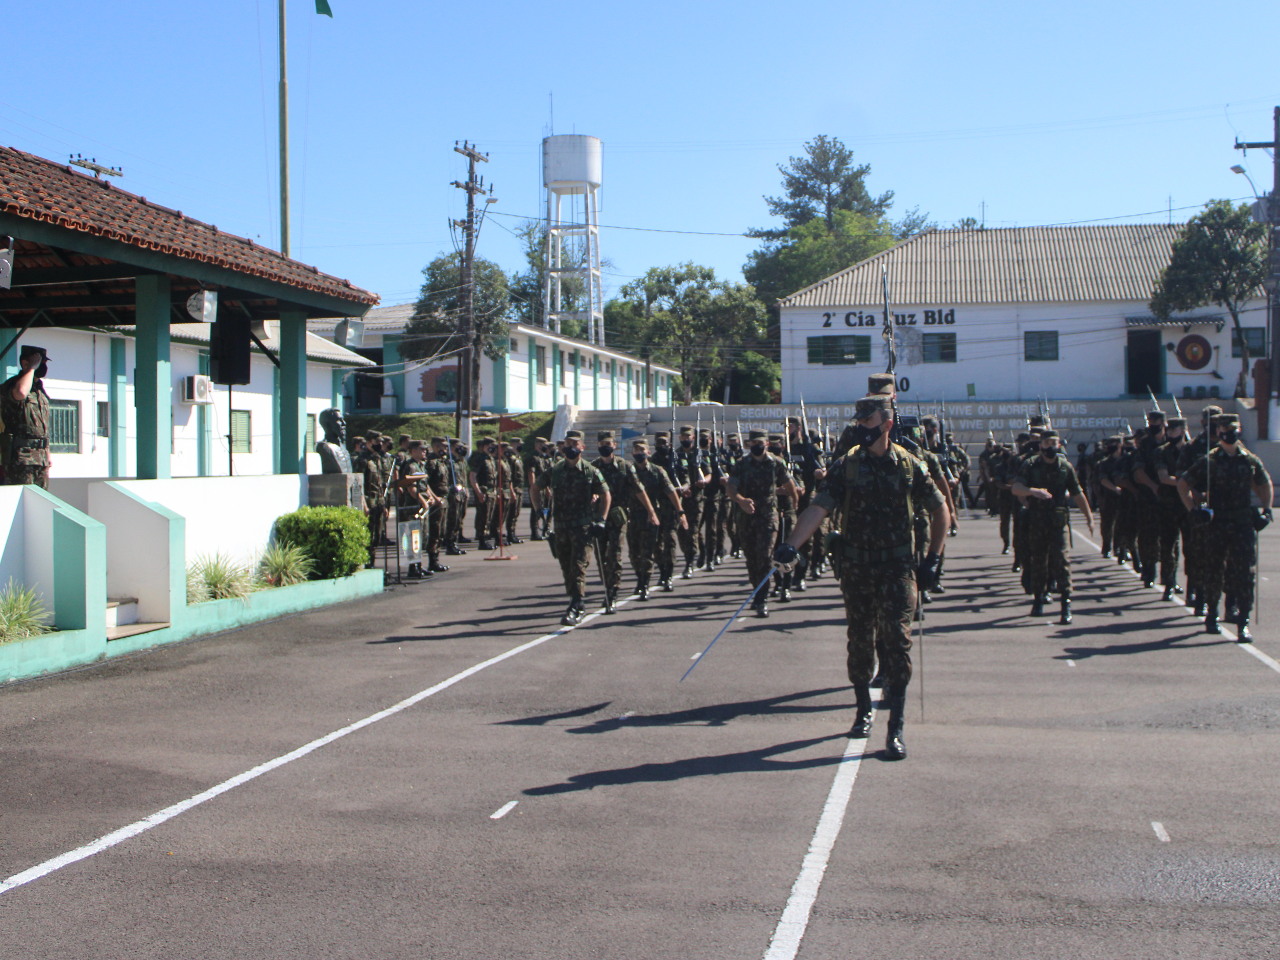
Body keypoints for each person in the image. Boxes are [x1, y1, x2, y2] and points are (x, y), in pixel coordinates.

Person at [776, 395, 947, 760]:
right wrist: (791, 545)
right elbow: (819, 507)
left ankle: (895, 726)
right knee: (859, 642)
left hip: (898, 568)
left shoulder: (909, 466)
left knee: (898, 643)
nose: (859, 428)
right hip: (857, 568)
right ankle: (862, 709)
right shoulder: (846, 467)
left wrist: (933, 559)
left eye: (866, 422)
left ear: (886, 424)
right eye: (857, 422)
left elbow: (940, 510)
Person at [1178, 413, 1273, 640]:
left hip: (1242, 522)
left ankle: (1243, 620)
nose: (1230, 434)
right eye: (1225, 430)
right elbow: (1183, 484)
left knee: (1244, 573)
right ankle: (1212, 614)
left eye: (1233, 430)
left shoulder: (1248, 459)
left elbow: (1264, 482)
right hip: (1217, 522)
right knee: (1214, 570)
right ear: (1219, 433)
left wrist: (1266, 510)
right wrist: (1194, 509)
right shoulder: (1209, 461)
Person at [1011, 429, 1094, 624]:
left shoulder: (1065, 467)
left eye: (1054, 443)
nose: (1050, 447)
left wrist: (1089, 517)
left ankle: (1066, 603)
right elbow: (1016, 488)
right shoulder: (1030, 465)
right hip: (1037, 520)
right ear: (1040, 445)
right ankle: (1039, 599)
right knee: (1038, 561)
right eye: (1047, 443)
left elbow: (1077, 493)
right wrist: (1033, 491)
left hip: (1058, 522)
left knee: (1062, 561)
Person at [536, 430, 610, 626]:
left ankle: (576, 604)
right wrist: (538, 511)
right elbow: (536, 487)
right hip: (561, 527)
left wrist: (601, 519)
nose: (571, 447)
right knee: (566, 567)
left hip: (582, 527)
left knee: (578, 566)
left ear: (582, 447)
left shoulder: (590, 470)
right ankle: (575, 600)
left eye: (575, 444)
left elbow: (605, 494)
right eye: (568, 443)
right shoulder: (556, 470)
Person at [728, 429, 797, 618]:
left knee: (765, 557)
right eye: (754, 444)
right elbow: (731, 488)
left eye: (761, 443)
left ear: (766, 444)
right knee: (752, 559)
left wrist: (794, 501)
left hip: (768, 516)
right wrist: (741, 500)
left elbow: (789, 483)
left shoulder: (775, 463)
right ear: (749, 445)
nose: (757, 446)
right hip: (747, 517)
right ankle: (757, 591)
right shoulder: (742, 464)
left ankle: (762, 598)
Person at [592, 431, 658, 612]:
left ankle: (612, 593)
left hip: (618, 517)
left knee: (615, 554)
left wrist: (651, 511)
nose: (605, 446)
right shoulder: (593, 467)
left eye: (608, 443)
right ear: (598, 446)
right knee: (601, 557)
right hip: (599, 518)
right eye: (602, 443)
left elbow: (639, 490)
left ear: (614, 445)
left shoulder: (624, 466)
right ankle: (607, 585)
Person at [627, 438, 686, 598]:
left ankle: (645, 583)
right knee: (634, 552)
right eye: (636, 450)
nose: (639, 453)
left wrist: (680, 511)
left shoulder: (657, 470)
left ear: (648, 452)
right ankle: (642, 577)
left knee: (649, 550)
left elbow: (670, 491)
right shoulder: (629, 470)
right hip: (633, 516)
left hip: (652, 516)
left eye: (642, 450)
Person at [2, 345, 52, 488]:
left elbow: (42, 425)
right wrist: (31, 369)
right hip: (21, 458)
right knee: (23, 501)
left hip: (40, 457)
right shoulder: (13, 385)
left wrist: (47, 453)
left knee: (41, 502)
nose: (42, 366)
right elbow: (21, 393)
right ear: (24, 363)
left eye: (43, 363)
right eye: (39, 362)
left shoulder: (39, 389)